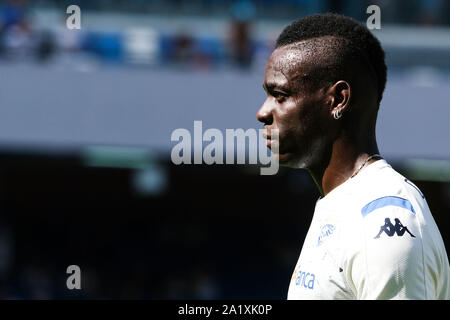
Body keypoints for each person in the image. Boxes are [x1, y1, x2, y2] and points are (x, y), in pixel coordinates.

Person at [256, 13, 449, 300]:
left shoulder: (385, 219)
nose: (263, 112)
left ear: (337, 100)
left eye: (280, 95)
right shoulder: (339, 203)